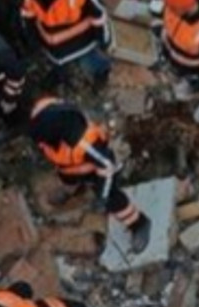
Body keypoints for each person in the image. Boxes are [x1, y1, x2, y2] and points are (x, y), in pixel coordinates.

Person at [28, 98, 151, 254]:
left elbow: (106, 165)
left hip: (95, 169)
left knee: (113, 199)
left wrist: (103, 195)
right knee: (67, 178)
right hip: (68, 166)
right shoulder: (43, 111)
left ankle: (138, 223)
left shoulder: (85, 144)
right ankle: (73, 190)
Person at [18, 0, 113, 88]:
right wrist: (103, 40)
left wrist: (103, 41)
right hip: (58, 50)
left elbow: (99, 16)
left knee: (94, 62)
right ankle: (61, 78)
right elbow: (28, 24)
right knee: (62, 67)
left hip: (81, 45)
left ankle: (101, 76)